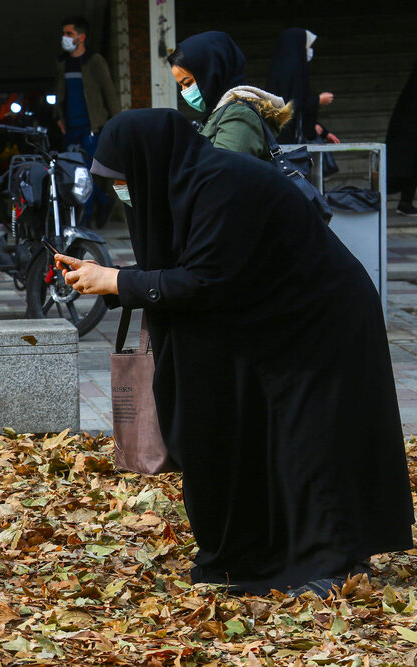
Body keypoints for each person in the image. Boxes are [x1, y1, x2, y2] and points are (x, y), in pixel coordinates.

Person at [55, 109, 414, 597]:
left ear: (149, 162)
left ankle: (334, 564)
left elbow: (205, 280)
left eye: (124, 181)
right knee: (276, 438)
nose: (123, 192)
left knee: (312, 441)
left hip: (320, 319)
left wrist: (116, 280)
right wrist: (108, 278)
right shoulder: (191, 181)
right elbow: (195, 261)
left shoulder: (222, 181)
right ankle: (270, 552)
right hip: (275, 315)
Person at [168, 31, 292, 160]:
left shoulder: (239, 115)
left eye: (188, 83)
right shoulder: (218, 113)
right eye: (181, 86)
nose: (184, 92)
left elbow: (223, 172)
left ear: (213, 72)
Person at [54, 15, 119, 227]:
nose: (65, 37)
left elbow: (109, 93)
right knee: (74, 173)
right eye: (64, 33)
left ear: (81, 37)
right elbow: (59, 92)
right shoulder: (62, 62)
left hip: (90, 127)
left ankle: (85, 219)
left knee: (86, 173)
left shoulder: (94, 61)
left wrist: (117, 122)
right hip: (69, 127)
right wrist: (58, 117)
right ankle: (103, 201)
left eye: (69, 33)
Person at [267, 28, 339, 144]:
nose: (309, 50)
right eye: (307, 46)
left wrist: (322, 131)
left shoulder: (279, 71)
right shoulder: (292, 72)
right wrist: (318, 100)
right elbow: (291, 106)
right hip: (286, 142)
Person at [387, 59, 417, 216]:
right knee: (407, 167)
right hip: (408, 133)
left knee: (409, 167)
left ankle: (405, 202)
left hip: (407, 133)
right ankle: (405, 202)